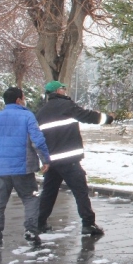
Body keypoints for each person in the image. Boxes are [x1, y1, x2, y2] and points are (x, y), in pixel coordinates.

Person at [35, 81, 113, 236]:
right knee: (80, 191)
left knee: (49, 193)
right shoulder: (67, 106)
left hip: (52, 162)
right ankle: (88, 224)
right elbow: (88, 116)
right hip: (69, 161)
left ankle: (39, 223)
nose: (65, 90)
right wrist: (107, 118)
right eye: (64, 88)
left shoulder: (41, 112)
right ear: (58, 91)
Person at [0, 87, 51, 250]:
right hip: (22, 168)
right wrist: (45, 159)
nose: (24, 99)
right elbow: (37, 140)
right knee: (30, 198)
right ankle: (31, 231)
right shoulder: (27, 116)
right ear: (18, 100)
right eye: (23, 97)